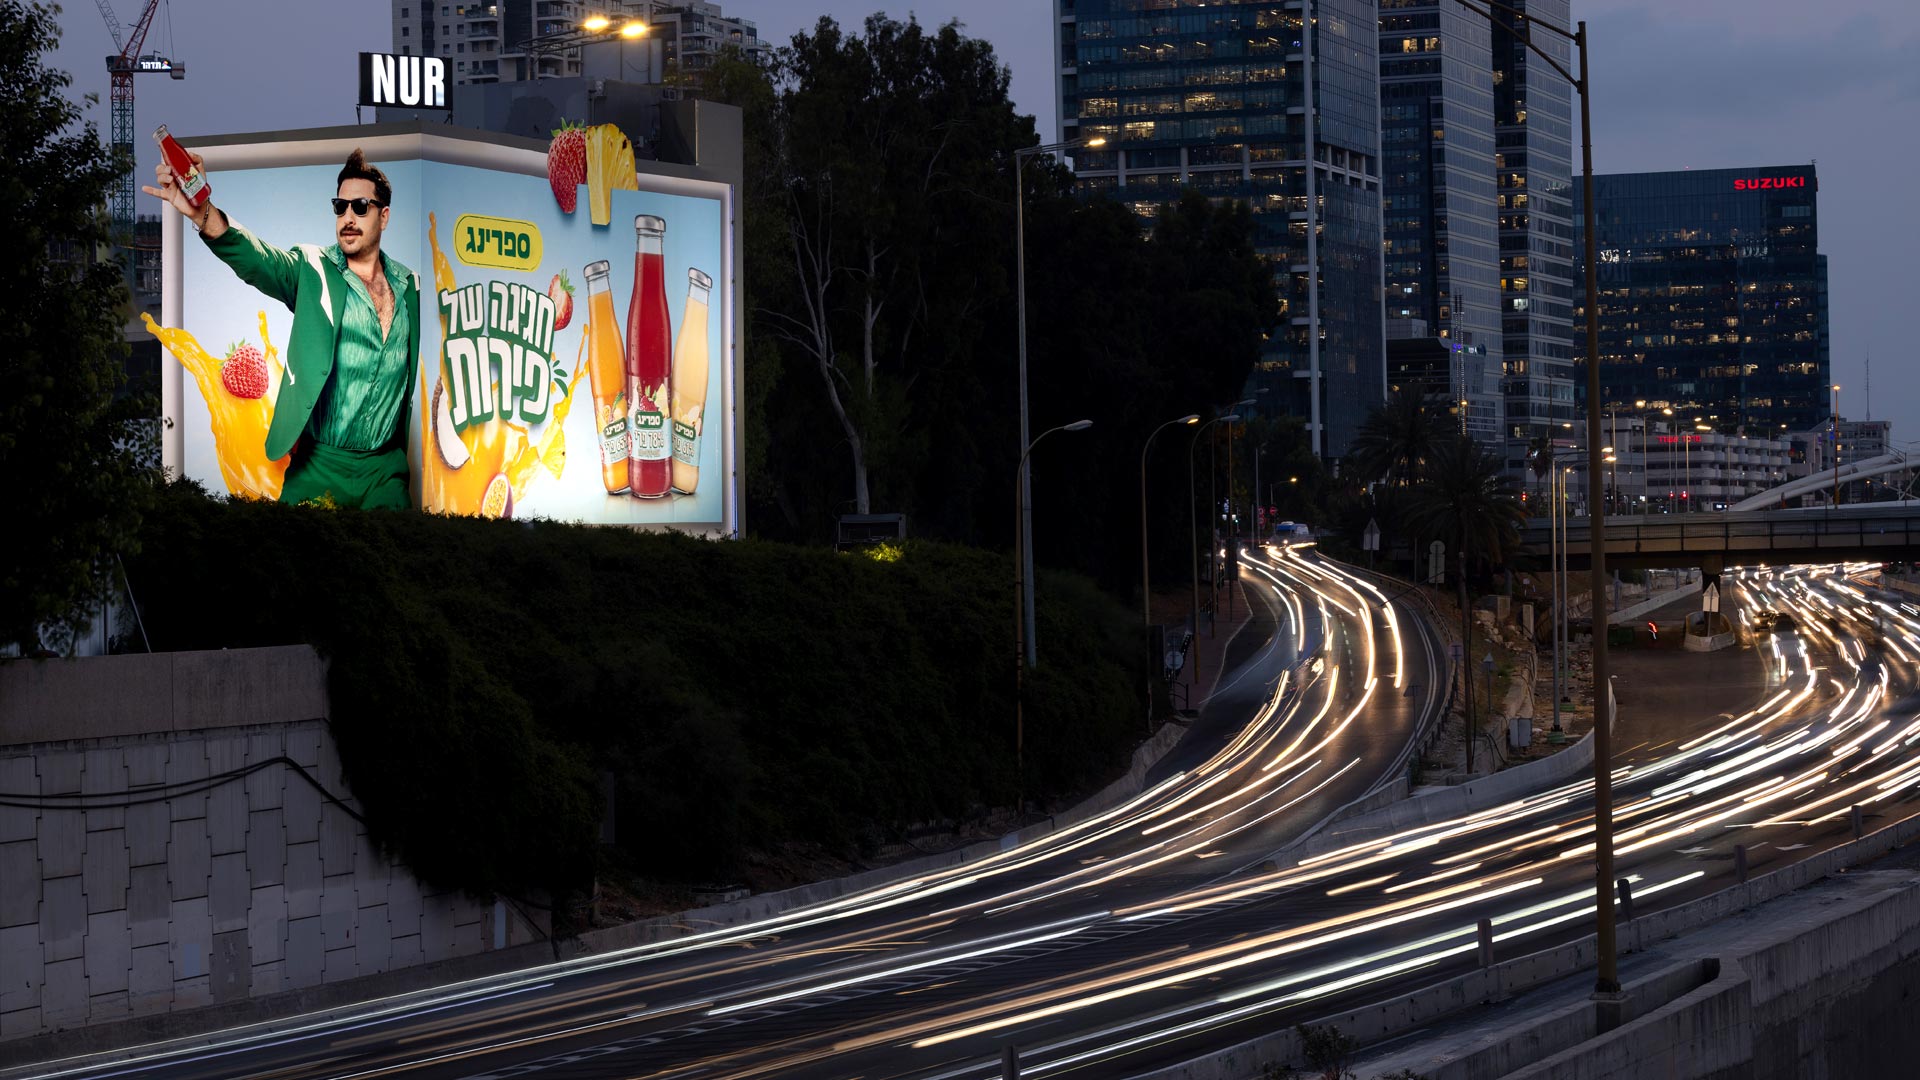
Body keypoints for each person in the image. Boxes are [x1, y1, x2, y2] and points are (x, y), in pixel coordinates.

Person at [144, 149, 422, 509]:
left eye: (361, 207)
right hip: (319, 464)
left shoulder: (410, 286)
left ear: (383, 216)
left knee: (396, 561)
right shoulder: (313, 269)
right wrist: (203, 214)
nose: (348, 217)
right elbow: (258, 260)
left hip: (385, 470)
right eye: (340, 207)